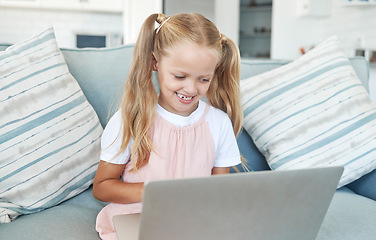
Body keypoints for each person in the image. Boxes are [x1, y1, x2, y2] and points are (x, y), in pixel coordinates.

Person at [92, 12, 244, 240]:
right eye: (180, 76)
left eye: (204, 79)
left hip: (191, 224)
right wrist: (157, 191)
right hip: (140, 220)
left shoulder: (218, 123)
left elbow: (217, 192)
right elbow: (102, 187)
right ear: (155, 62)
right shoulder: (131, 118)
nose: (191, 90)